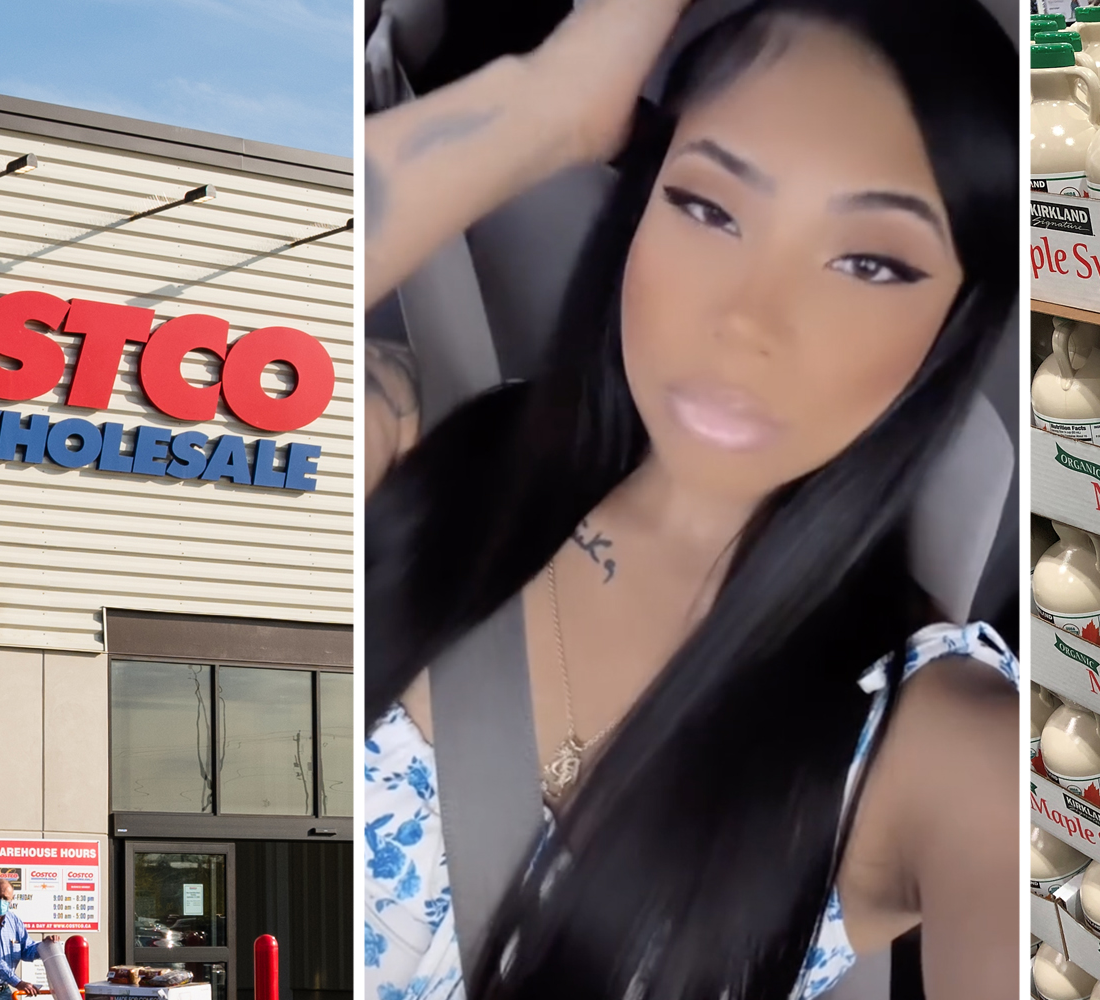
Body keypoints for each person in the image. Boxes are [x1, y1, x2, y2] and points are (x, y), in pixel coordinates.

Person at [364, 0, 1018, 997]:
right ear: (639, 207)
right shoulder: (424, 457)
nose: (746, 321)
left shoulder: (944, 743)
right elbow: (119, 340)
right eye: (708, 207)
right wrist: (548, 106)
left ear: (954, 322)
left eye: (869, 261)